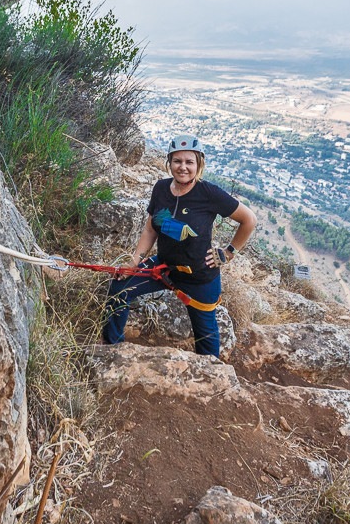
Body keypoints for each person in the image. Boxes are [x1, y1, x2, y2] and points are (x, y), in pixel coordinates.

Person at [101, 134, 257, 357]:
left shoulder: (209, 193)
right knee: (119, 288)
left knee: (205, 337)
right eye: (177, 161)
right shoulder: (161, 188)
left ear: (199, 164)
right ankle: (111, 349)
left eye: (189, 162)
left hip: (198, 275)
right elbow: (150, 230)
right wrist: (134, 262)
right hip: (164, 267)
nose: (183, 167)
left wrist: (229, 252)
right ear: (169, 162)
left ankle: (210, 371)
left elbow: (248, 219)